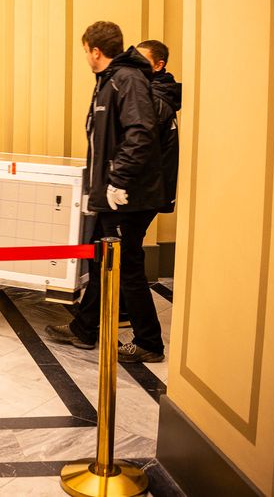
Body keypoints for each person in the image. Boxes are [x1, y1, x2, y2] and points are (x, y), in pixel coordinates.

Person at [45, 21, 166, 363]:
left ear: (95, 51)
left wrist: (117, 182)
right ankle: (85, 329)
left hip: (128, 198)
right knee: (103, 261)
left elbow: (140, 134)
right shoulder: (110, 81)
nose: (85, 56)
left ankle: (149, 342)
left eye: (85, 50)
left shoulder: (125, 79)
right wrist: (97, 189)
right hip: (113, 195)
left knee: (126, 266)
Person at [136, 39, 181, 214]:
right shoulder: (159, 93)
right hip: (150, 190)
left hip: (142, 190)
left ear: (158, 65)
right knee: (127, 238)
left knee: (118, 239)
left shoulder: (153, 99)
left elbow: (139, 146)